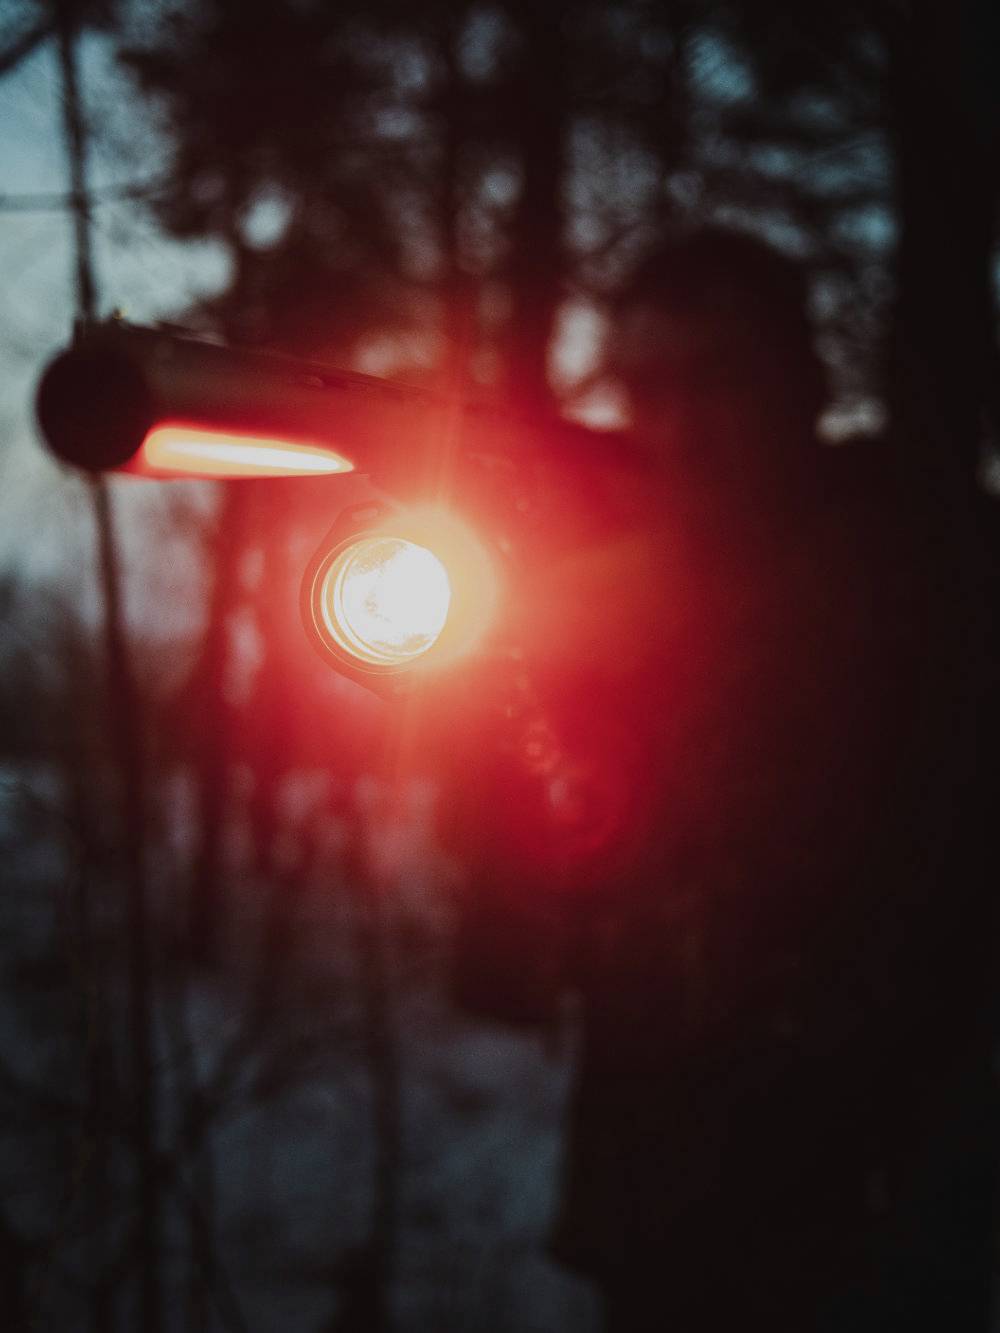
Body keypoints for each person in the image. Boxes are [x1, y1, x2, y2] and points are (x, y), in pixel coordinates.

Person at [443, 226, 998, 1331]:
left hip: (874, 1195)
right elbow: (520, 925)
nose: (679, 428)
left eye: (716, 383)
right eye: (647, 389)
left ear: (800, 384)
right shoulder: (600, 597)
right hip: (659, 1191)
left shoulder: (917, 566)